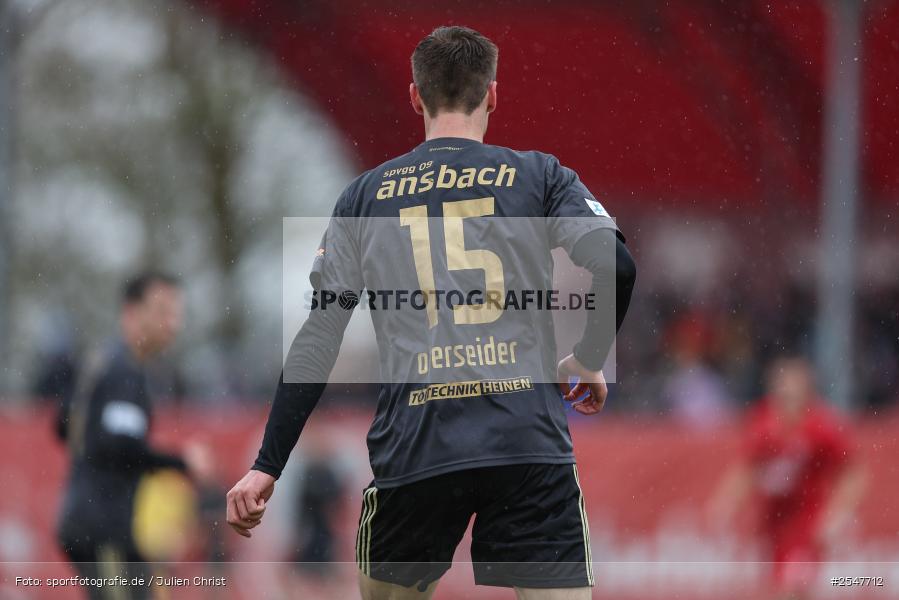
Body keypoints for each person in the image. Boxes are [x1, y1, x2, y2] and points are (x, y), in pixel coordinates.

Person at [227, 26, 636, 600]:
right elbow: (616, 266)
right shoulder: (539, 176)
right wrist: (590, 356)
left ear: (415, 97)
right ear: (492, 94)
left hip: (418, 445)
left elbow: (320, 335)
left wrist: (268, 464)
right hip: (525, 443)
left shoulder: (364, 197)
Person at [56, 272, 191, 600]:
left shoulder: (102, 361)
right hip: (104, 528)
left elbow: (63, 423)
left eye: (176, 313)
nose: (172, 323)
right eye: (162, 311)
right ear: (131, 313)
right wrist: (182, 462)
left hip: (91, 520)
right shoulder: (124, 371)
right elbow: (120, 447)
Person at [708, 355, 866, 599]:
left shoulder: (821, 427)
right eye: (781, 394)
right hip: (774, 522)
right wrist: (725, 504)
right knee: (781, 588)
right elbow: (748, 468)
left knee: (793, 589)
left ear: (807, 394)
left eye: (793, 394)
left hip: (807, 521)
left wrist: (839, 512)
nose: (786, 402)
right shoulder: (763, 423)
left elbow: (852, 473)